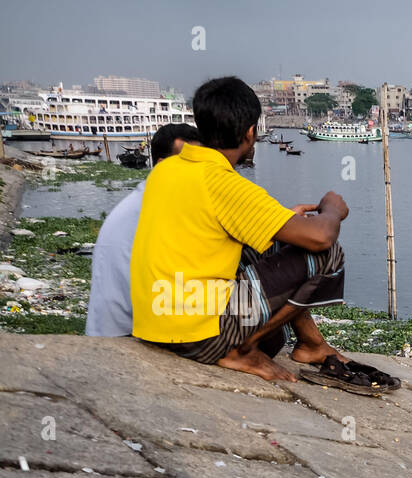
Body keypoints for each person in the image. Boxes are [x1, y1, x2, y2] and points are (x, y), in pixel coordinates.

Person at [129, 76, 397, 391]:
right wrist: (332, 209)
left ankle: (310, 343)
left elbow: (211, 226)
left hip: (156, 324)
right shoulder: (224, 183)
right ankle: (240, 349)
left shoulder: (167, 170)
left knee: (273, 243)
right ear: (250, 133)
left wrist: (282, 220)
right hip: (200, 338)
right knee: (326, 253)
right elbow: (321, 237)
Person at [87, 123, 200, 336]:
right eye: (191, 163)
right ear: (163, 166)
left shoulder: (148, 198)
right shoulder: (158, 209)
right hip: (125, 334)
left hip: (115, 326)